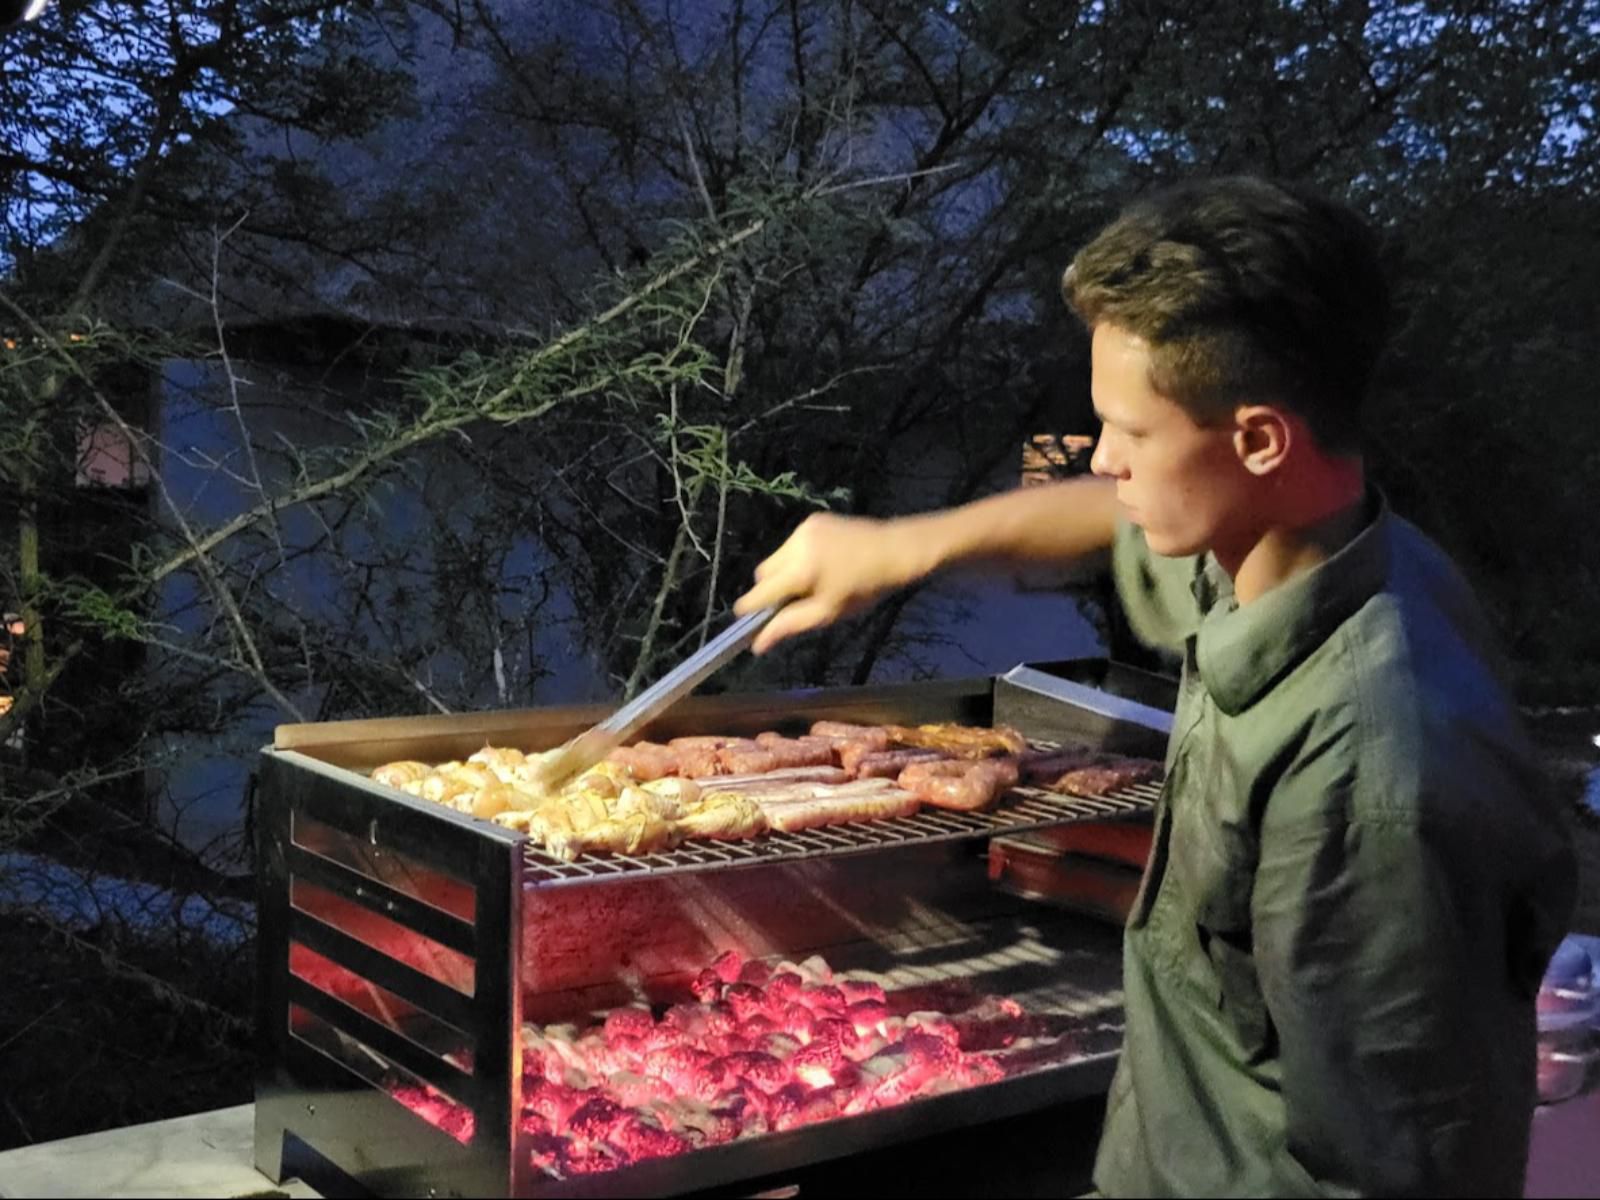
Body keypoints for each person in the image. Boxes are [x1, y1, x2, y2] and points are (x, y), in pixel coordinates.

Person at [735, 176, 1576, 1197]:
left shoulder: (1374, 776)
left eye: (1129, 432)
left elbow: (1381, 1175)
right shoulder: (1283, 545)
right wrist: (897, 547)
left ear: (1259, 437)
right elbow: (1112, 516)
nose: (1101, 457)